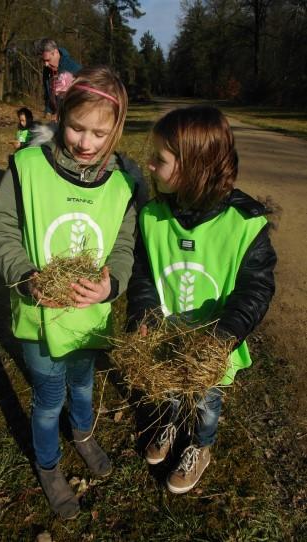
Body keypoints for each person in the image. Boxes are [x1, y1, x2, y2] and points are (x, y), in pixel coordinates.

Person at [0, 66, 138, 520]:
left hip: (88, 318)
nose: (86, 143)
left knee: (84, 384)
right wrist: (25, 276)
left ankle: (85, 434)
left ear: (116, 130)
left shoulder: (124, 182)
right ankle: (49, 464)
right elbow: (3, 229)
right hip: (40, 316)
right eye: (76, 127)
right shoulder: (28, 166)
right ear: (60, 115)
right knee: (49, 397)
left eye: (99, 133)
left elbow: (124, 244)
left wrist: (114, 283)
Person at [126, 105, 277, 495]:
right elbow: (142, 272)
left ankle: (200, 444)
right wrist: (144, 313)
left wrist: (223, 337)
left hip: (213, 348)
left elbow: (256, 288)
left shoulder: (245, 225)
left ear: (195, 166)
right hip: (168, 337)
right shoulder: (152, 216)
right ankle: (173, 423)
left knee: (207, 403)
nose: (150, 165)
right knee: (172, 392)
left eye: (160, 159)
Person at [38, 38, 81, 119]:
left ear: (56, 52)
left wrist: (61, 114)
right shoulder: (47, 70)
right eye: (43, 61)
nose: (46, 64)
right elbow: (48, 94)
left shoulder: (74, 68)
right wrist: (48, 111)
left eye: (48, 60)